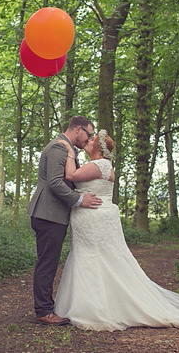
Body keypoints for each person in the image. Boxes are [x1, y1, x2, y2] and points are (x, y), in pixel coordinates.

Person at [53, 129, 179, 331]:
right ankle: (97, 304)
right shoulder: (102, 165)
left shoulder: (99, 165)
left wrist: (69, 153)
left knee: (94, 258)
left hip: (94, 218)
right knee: (93, 257)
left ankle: (95, 309)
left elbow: (71, 175)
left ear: (97, 147)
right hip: (90, 217)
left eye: (91, 139)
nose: (87, 141)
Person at [27, 116, 103, 326]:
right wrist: (79, 200)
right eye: (88, 133)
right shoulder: (58, 148)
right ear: (78, 130)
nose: (89, 139)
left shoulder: (67, 148)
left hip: (53, 214)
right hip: (48, 214)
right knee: (47, 263)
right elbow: (54, 183)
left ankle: (45, 308)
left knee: (49, 261)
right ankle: (43, 311)